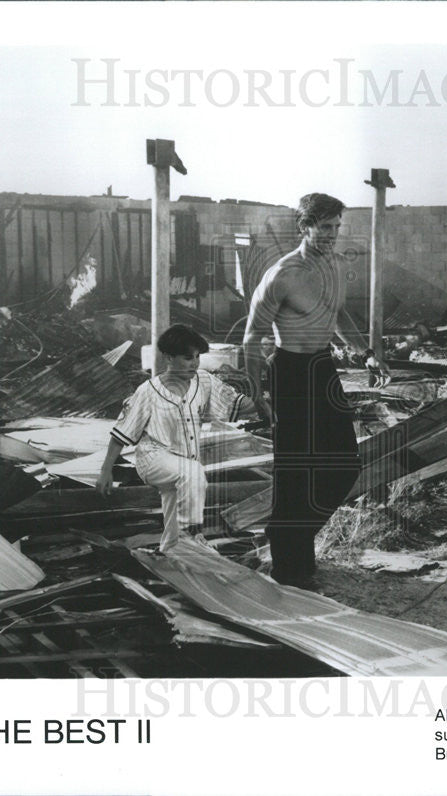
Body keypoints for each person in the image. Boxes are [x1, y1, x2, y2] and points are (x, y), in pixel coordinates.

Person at [243, 192, 391, 587]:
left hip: (322, 367)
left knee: (344, 464)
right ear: (304, 226)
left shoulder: (335, 267)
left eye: (337, 227)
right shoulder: (282, 274)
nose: (332, 235)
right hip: (289, 370)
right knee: (296, 472)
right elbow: (252, 337)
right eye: (324, 227)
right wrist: (257, 393)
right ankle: (291, 566)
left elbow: (337, 312)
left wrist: (367, 354)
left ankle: (286, 536)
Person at [96, 324, 249, 553]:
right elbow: (122, 432)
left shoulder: (203, 381)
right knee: (192, 473)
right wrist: (105, 470)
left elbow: (237, 404)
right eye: (188, 358)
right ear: (168, 357)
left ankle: (171, 553)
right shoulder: (148, 391)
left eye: (197, 357)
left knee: (176, 499)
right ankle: (191, 535)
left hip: (182, 461)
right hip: (153, 459)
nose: (195, 363)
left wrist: (277, 398)